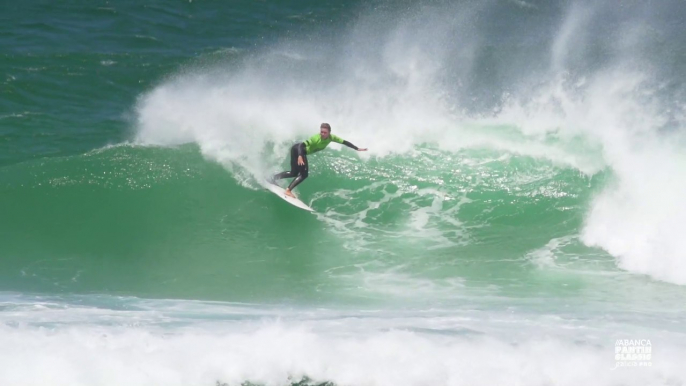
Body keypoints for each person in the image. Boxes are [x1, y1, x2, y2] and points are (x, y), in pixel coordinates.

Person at [271, 123, 367, 198]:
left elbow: (344, 142)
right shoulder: (316, 138)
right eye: (321, 132)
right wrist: (300, 156)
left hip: (298, 151)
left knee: (294, 173)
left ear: (329, 132)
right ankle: (288, 190)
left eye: (325, 132)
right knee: (304, 174)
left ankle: (274, 177)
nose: (323, 134)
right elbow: (301, 145)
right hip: (298, 150)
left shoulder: (332, 138)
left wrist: (356, 148)